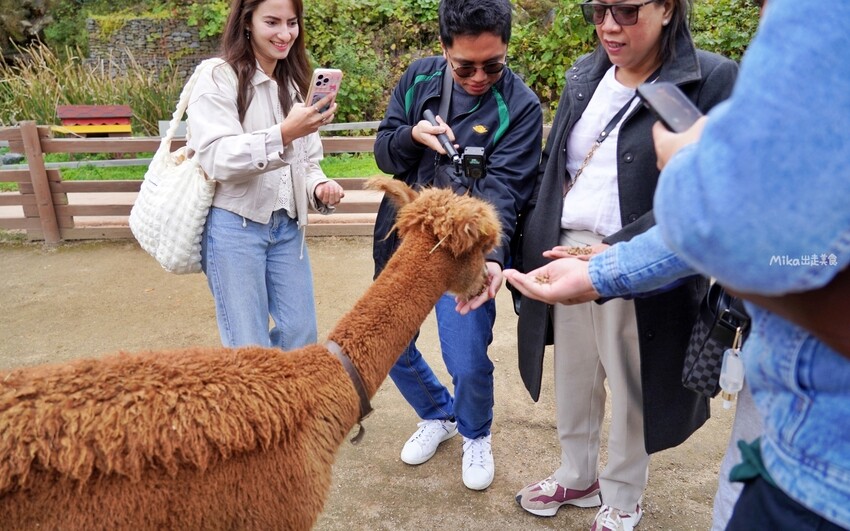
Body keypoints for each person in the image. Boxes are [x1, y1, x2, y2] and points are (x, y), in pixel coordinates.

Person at [512, 1, 737, 529]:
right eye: (598, 9)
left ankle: (622, 491)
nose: (610, 25)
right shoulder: (584, 75)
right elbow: (554, 166)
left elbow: (708, 191)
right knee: (573, 375)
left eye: (628, 10)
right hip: (563, 249)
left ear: (666, 8)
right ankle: (577, 473)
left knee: (633, 380)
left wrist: (619, 251)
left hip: (638, 256)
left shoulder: (710, 77)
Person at [372, 0, 543, 491]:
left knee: (467, 357)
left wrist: (489, 260)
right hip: (404, 239)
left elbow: (506, 190)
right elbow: (385, 151)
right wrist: (412, 136)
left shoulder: (521, 105)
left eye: (493, 64)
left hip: (466, 252)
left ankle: (474, 432)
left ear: (506, 50)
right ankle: (436, 414)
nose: (478, 77)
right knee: (390, 343)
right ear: (443, 48)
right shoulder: (419, 79)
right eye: (465, 65)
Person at [186, 0, 345, 350]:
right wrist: (284, 133)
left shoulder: (292, 85)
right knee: (249, 347)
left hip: (287, 228)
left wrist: (319, 185)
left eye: (292, 22)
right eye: (272, 22)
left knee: (301, 336)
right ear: (247, 21)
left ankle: (285, 406)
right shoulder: (217, 76)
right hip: (234, 226)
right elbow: (216, 157)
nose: (285, 33)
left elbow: (307, 161)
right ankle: (251, 406)